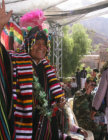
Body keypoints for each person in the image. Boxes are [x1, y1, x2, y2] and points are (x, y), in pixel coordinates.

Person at [0, 1, 65, 139]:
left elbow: (54, 95)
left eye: (44, 44)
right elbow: (1, 57)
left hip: (47, 127)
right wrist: (0, 26)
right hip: (24, 124)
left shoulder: (48, 68)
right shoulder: (16, 60)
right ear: (28, 44)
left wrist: (59, 102)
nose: (41, 47)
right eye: (37, 43)